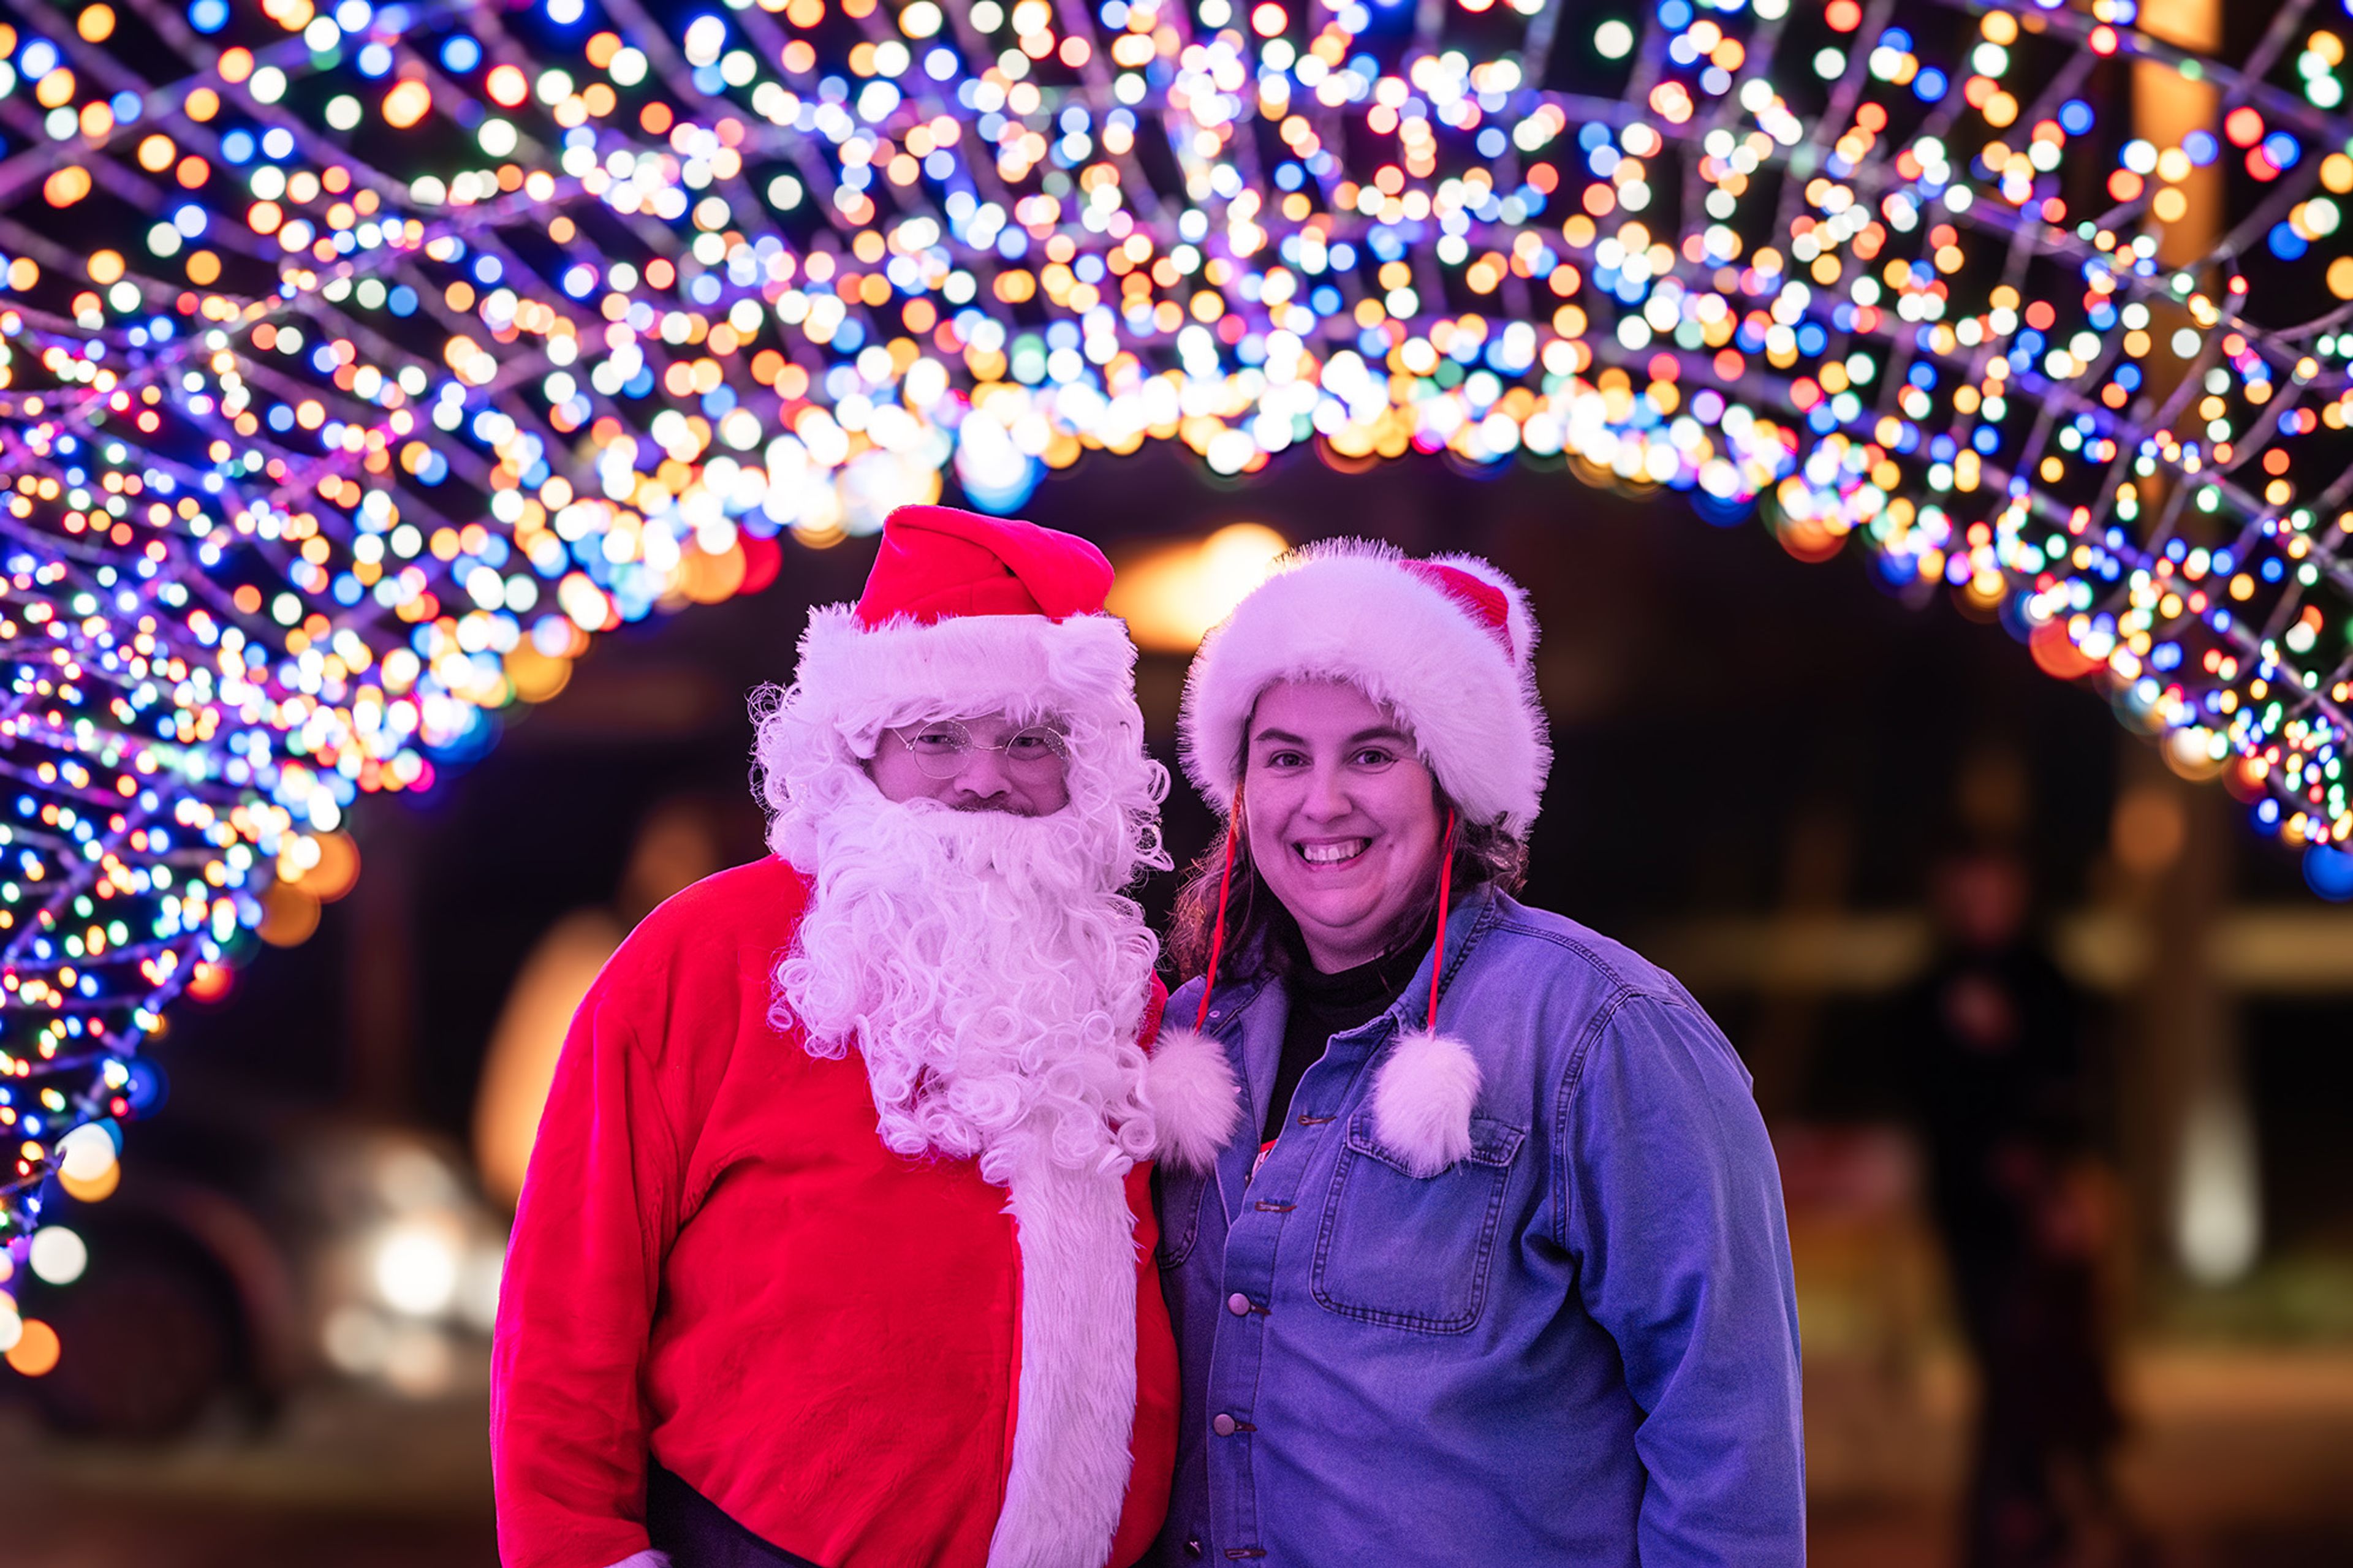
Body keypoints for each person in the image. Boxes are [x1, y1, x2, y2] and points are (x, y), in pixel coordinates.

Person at [490, 504, 1239, 1568]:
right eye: (938, 735)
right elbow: (569, 1295)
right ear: (859, 749)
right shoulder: (703, 953)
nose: (984, 777)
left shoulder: (1126, 989)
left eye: (1029, 738)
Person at [1146, 539, 1806, 1566]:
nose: (1321, 801)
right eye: (1284, 756)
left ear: (1454, 781)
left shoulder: (1606, 1030)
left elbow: (1728, 1431)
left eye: (1372, 753)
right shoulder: (1189, 1036)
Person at [1898, 841, 2140, 1568]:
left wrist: (2059, 1176)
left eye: (1995, 889)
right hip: (1972, 1213)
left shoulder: (2048, 981)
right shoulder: (1928, 990)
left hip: (2048, 1213)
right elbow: (1921, 1093)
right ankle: (2034, 1522)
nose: (1982, 905)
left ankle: (2033, 1521)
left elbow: (2080, 1083)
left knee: (2045, 1367)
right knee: (2006, 1369)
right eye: (1968, 890)